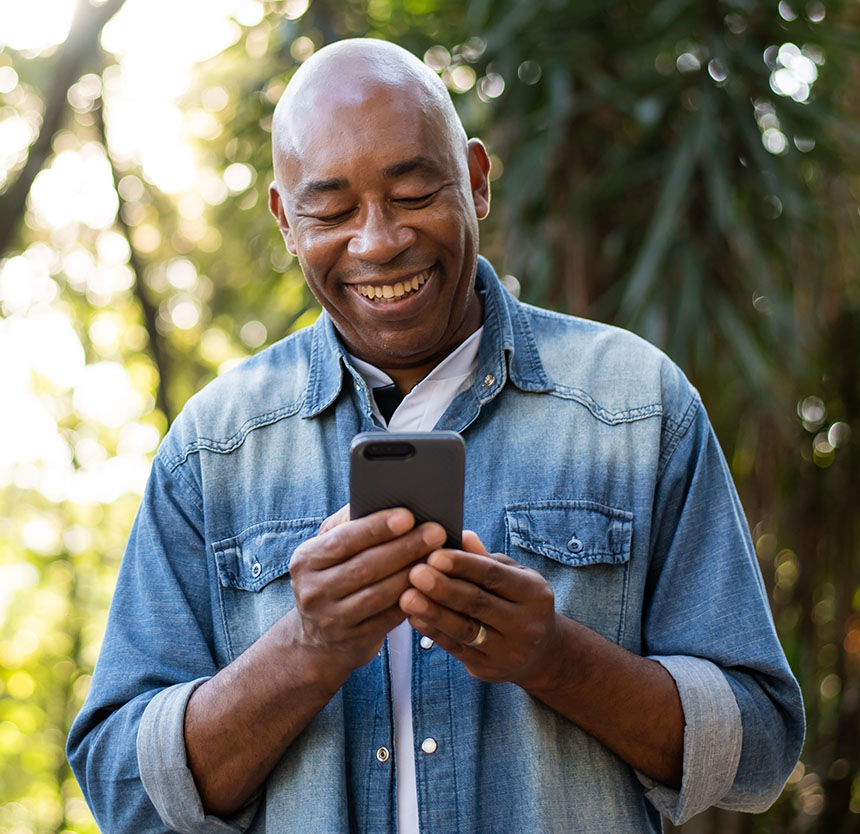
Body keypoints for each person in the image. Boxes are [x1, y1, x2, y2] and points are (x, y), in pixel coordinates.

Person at [67, 38, 804, 834]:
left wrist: (554, 657)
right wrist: (304, 650)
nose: (378, 241)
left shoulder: (635, 406)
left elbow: (760, 748)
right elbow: (122, 788)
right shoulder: (216, 448)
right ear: (285, 218)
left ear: (477, 183)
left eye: (414, 193)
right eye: (333, 209)